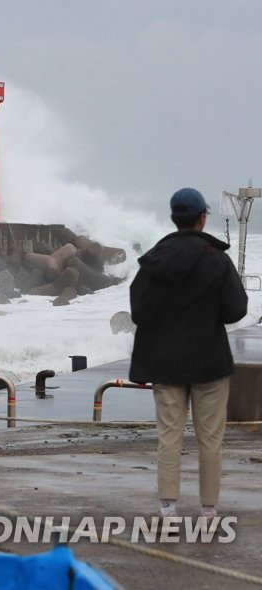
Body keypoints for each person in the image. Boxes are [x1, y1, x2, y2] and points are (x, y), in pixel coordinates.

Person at [129, 187, 248, 519]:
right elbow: (236, 310)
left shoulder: (154, 261)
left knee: (169, 436)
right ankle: (208, 511)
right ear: (202, 218)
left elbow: (138, 311)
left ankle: (168, 507)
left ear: (173, 218)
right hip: (209, 361)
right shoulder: (216, 259)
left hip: (164, 364)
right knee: (210, 438)